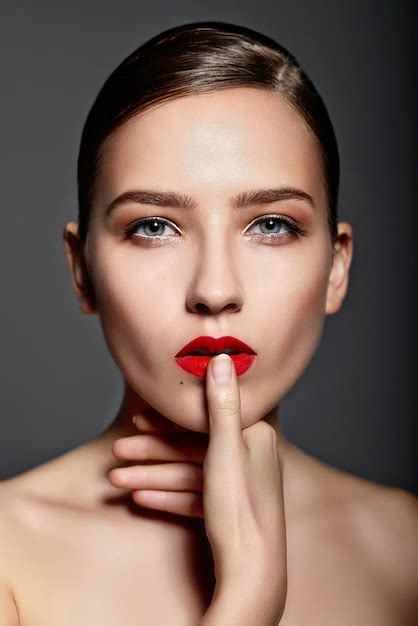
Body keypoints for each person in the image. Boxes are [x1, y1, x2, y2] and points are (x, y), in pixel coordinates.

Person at [0, 21, 417, 625]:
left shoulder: (404, 548)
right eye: (152, 226)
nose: (214, 290)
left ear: (335, 266)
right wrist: (251, 594)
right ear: (82, 270)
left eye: (272, 224)